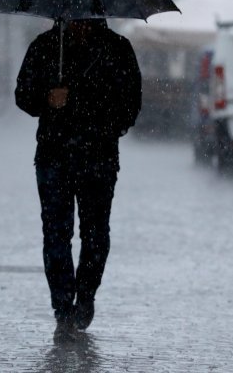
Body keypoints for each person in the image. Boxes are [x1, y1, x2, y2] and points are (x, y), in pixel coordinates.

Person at [15, 18, 142, 341]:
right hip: (54, 154)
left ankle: (85, 297)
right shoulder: (45, 47)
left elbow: (130, 106)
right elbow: (23, 95)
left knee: (95, 232)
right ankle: (62, 307)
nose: (78, 23)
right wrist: (48, 99)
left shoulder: (116, 49)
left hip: (97, 156)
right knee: (56, 232)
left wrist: (92, 109)